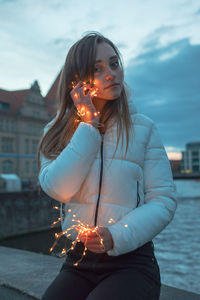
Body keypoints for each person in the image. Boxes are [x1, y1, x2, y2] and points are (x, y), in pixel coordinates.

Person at [37, 31, 177, 300]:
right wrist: (88, 126)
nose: (111, 74)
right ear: (78, 82)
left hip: (132, 261)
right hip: (79, 261)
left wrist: (115, 235)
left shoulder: (143, 128)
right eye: (97, 69)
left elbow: (163, 200)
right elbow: (58, 189)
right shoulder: (55, 131)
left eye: (114, 63)